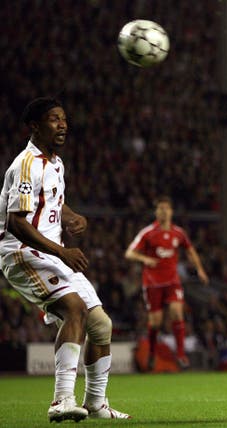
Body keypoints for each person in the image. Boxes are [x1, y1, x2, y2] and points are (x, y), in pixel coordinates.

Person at [0, 97, 129, 421]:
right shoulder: (27, 164)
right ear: (35, 126)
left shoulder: (56, 163)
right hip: (21, 252)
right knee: (74, 308)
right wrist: (61, 251)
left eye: (64, 119)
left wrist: (71, 216)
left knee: (100, 326)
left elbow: (54, 199)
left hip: (51, 253)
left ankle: (96, 404)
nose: (63, 125)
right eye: (54, 119)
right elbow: (17, 221)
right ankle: (61, 401)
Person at [125, 196, 209, 370]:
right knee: (155, 322)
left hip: (172, 281)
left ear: (171, 212)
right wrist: (145, 259)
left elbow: (190, 250)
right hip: (152, 283)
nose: (163, 211)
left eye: (166, 208)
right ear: (156, 212)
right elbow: (129, 253)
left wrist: (200, 269)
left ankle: (180, 353)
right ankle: (152, 353)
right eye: (160, 208)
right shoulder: (148, 233)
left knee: (177, 313)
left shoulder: (178, 233)